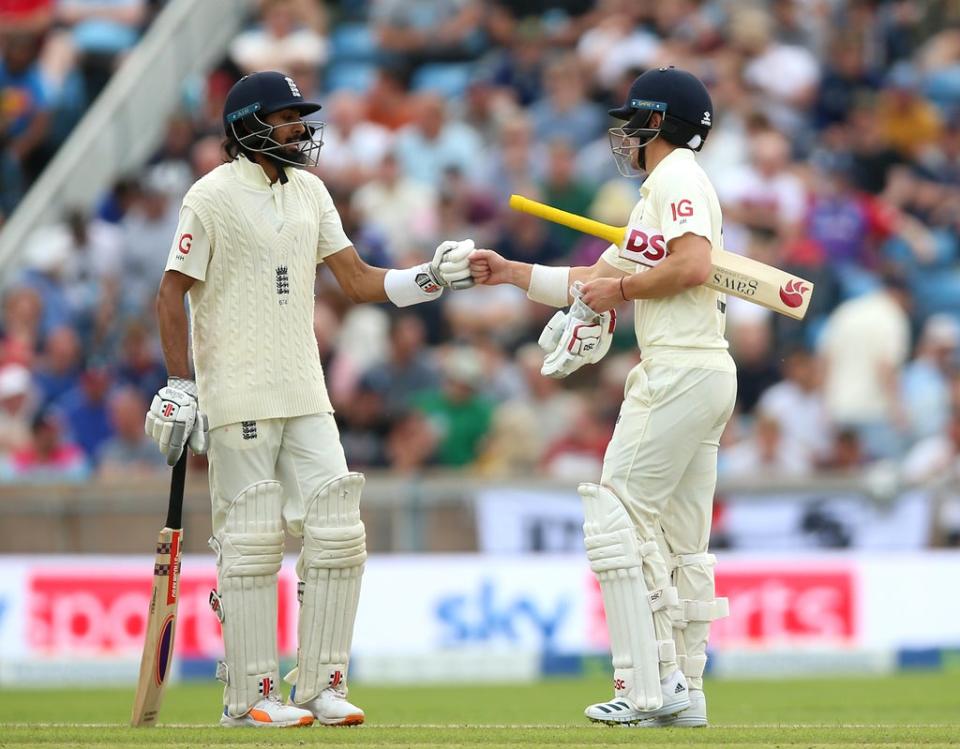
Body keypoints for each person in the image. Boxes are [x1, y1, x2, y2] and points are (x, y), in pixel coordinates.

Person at [144, 71, 474, 729]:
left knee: (338, 530)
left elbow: (356, 280)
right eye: (287, 117)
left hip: (307, 390)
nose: (301, 127)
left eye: (301, 116)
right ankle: (248, 694)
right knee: (251, 541)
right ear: (248, 126)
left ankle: (320, 683)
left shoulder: (314, 192)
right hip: (237, 394)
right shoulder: (209, 196)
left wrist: (430, 276)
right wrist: (181, 385)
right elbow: (170, 291)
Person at [470, 67, 735, 727]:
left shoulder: (675, 178)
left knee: (616, 514)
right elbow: (594, 279)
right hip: (703, 367)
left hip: (677, 367)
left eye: (634, 122)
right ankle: (685, 687)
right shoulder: (661, 191)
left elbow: (693, 264)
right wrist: (510, 274)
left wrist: (621, 293)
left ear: (658, 123)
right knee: (679, 538)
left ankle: (647, 682)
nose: (626, 135)